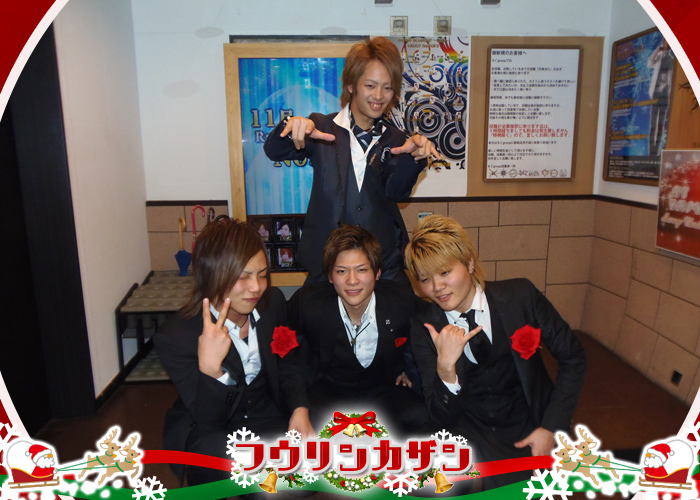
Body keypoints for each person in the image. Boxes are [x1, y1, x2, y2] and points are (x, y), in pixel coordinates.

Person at [404, 215, 586, 488]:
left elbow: (573, 358)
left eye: (444, 272)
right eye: (425, 279)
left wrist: (551, 428)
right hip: (465, 426)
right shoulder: (425, 326)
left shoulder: (520, 297)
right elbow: (441, 416)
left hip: (525, 423)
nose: (437, 287)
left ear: (469, 263)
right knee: (415, 483)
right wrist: (446, 368)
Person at [264, 36, 440, 285]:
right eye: (370, 85)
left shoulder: (396, 138)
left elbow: (397, 192)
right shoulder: (321, 126)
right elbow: (274, 151)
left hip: (382, 266)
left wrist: (414, 157)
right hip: (326, 264)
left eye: (387, 87)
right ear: (350, 85)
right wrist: (291, 127)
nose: (378, 96)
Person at [154, 217, 313, 485]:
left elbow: (286, 361)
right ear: (212, 276)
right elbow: (208, 422)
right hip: (213, 428)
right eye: (243, 277)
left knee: (306, 477)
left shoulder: (273, 304)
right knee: (219, 462)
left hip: (266, 414)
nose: (256, 287)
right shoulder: (176, 336)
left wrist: (299, 409)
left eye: (262, 274)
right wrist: (212, 371)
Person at [287, 225, 429, 436]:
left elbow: (432, 322)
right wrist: (298, 405)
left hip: (382, 388)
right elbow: (283, 351)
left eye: (362, 270)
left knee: (419, 416)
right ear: (330, 276)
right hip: (328, 389)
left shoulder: (399, 300)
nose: (352, 281)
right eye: (341, 271)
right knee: (311, 427)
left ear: (377, 272)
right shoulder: (308, 303)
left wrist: (408, 366)